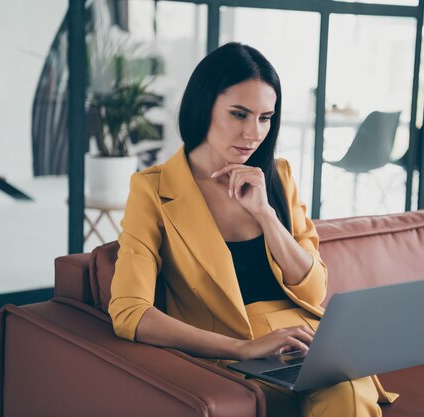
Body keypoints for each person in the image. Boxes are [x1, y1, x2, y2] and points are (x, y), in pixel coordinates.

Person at [108, 42, 398, 417]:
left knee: (345, 390)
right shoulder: (153, 188)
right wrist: (242, 349)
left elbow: (314, 289)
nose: (253, 133)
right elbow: (130, 312)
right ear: (204, 106)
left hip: (307, 340)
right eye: (239, 114)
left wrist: (266, 215)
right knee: (342, 394)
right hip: (235, 350)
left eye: (265, 118)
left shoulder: (278, 177)